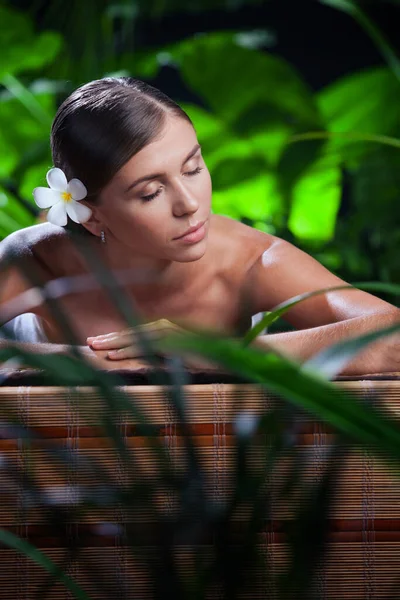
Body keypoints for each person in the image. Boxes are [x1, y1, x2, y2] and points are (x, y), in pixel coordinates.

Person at [0, 76, 399, 375]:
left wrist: (218, 353)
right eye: (151, 193)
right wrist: (88, 362)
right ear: (93, 212)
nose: (190, 205)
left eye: (193, 168)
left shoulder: (251, 260)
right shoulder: (36, 260)